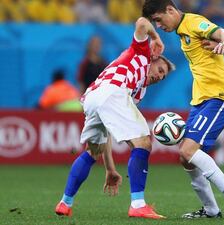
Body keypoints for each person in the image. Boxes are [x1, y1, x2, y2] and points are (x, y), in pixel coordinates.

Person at [142, 0, 224, 220]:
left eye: (159, 20)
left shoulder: (194, 22)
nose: (159, 26)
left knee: (187, 151)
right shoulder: (183, 32)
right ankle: (210, 210)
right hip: (201, 101)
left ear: (170, 10)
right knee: (186, 158)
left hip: (219, 98)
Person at [54, 17, 176, 219]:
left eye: (163, 77)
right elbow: (142, 22)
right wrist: (156, 37)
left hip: (93, 98)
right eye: (160, 70)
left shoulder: (139, 92)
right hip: (111, 92)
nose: (159, 76)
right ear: (153, 59)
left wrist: (110, 169)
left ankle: (65, 203)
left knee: (93, 151)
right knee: (143, 142)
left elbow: (108, 128)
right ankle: (138, 204)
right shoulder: (142, 53)